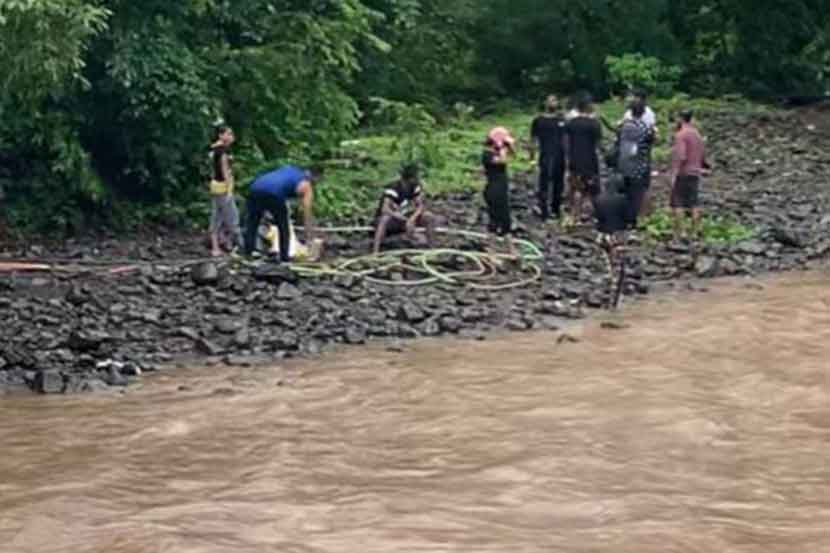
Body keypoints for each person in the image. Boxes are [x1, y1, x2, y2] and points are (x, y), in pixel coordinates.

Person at [244, 165, 318, 262]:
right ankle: (284, 257)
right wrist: (309, 238)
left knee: (252, 222)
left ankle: (249, 252)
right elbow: (307, 214)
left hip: (255, 187)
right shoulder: (306, 184)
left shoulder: (289, 169)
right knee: (283, 226)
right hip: (274, 193)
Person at [372, 164, 437, 254]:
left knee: (428, 216)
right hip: (393, 219)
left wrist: (412, 219)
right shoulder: (393, 188)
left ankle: (432, 249)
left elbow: (420, 206)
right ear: (410, 178)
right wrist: (402, 218)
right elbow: (385, 209)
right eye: (416, 176)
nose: (418, 179)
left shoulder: (415, 187)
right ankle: (375, 252)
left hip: (405, 217)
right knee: (385, 219)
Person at [615, 100, 655, 230]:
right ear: (643, 113)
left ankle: (622, 217)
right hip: (639, 165)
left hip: (624, 164)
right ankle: (632, 220)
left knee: (624, 192)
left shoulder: (624, 126)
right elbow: (651, 141)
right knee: (636, 194)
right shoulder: (645, 128)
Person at [564, 93, 603, 227]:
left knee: (575, 188)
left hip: (574, 159)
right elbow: (598, 144)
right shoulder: (594, 124)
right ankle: (596, 215)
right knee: (593, 189)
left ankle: (574, 215)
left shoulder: (571, 123)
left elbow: (566, 142)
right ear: (588, 107)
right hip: (590, 160)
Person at [669, 109, 708, 241]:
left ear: (680, 119)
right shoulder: (697, 134)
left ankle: (682, 232)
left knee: (677, 203)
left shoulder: (681, 135)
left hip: (683, 172)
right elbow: (703, 155)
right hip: (695, 172)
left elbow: (681, 155)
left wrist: (674, 173)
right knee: (694, 202)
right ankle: (695, 232)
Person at [208, 124, 244, 257]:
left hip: (215, 186)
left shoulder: (214, 150)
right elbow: (225, 172)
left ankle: (217, 247)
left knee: (217, 216)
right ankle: (238, 246)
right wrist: (230, 189)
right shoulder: (222, 152)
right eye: (228, 134)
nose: (231, 137)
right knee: (232, 217)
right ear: (221, 135)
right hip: (223, 187)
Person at [530, 95, 567, 221]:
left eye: (555, 100)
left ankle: (556, 209)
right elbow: (533, 139)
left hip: (560, 155)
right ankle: (543, 210)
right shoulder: (539, 120)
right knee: (544, 182)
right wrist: (532, 156)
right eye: (550, 100)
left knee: (559, 182)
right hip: (545, 154)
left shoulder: (561, 119)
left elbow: (566, 138)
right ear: (545, 103)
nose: (553, 103)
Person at [482, 130, 516, 255]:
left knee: (506, 220)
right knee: (495, 220)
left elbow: (512, 154)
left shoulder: (496, 152)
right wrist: (502, 147)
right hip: (493, 190)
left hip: (502, 190)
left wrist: (508, 146)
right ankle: (491, 251)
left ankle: (511, 250)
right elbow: (502, 161)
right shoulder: (487, 154)